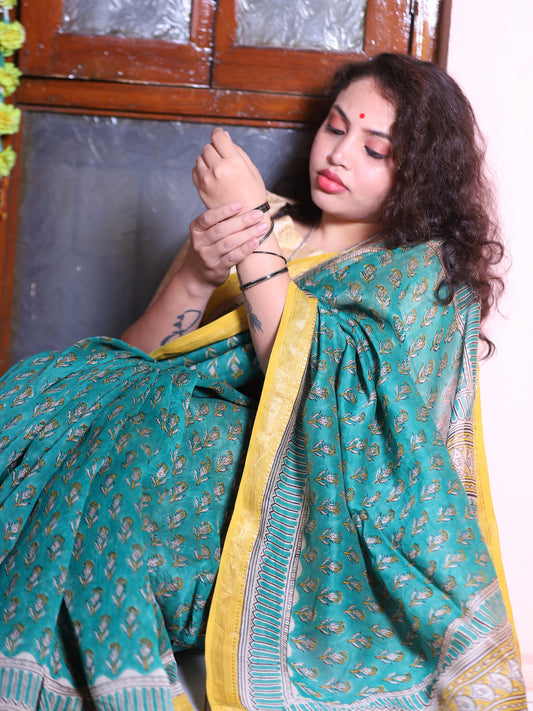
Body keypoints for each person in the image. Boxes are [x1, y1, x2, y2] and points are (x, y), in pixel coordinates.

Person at [0, 53, 526, 710]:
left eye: (374, 149)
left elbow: (329, 395)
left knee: (125, 458)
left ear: (419, 171)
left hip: (261, 506)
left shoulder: (418, 276)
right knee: (45, 393)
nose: (338, 155)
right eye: (334, 127)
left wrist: (251, 241)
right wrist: (195, 272)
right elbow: (129, 364)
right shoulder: (261, 220)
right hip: (152, 449)